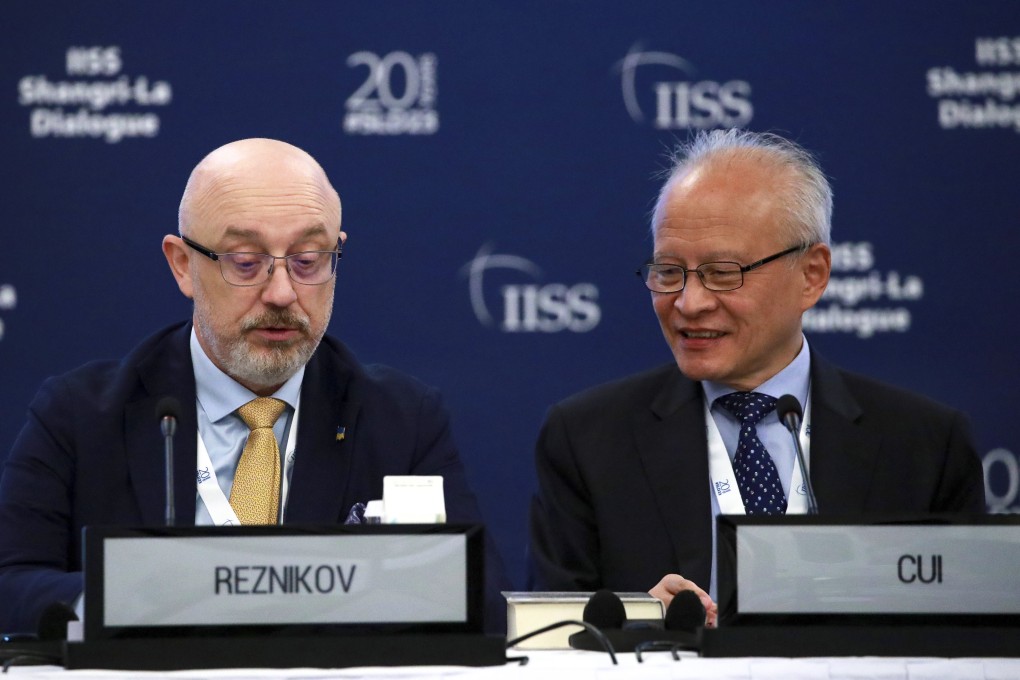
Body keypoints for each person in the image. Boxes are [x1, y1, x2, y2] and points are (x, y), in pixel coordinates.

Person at [0, 138, 508, 634]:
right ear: (183, 265)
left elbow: (478, 597)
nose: (282, 292)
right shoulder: (80, 415)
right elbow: (11, 582)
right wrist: (129, 596)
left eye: (308, 260)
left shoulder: (400, 418)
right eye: (246, 262)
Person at [528, 128, 985, 626]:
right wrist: (639, 618)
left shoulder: (923, 445)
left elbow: (970, 638)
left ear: (811, 274)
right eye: (668, 272)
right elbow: (546, 634)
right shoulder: (587, 439)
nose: (689, 302)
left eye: (723, 272)